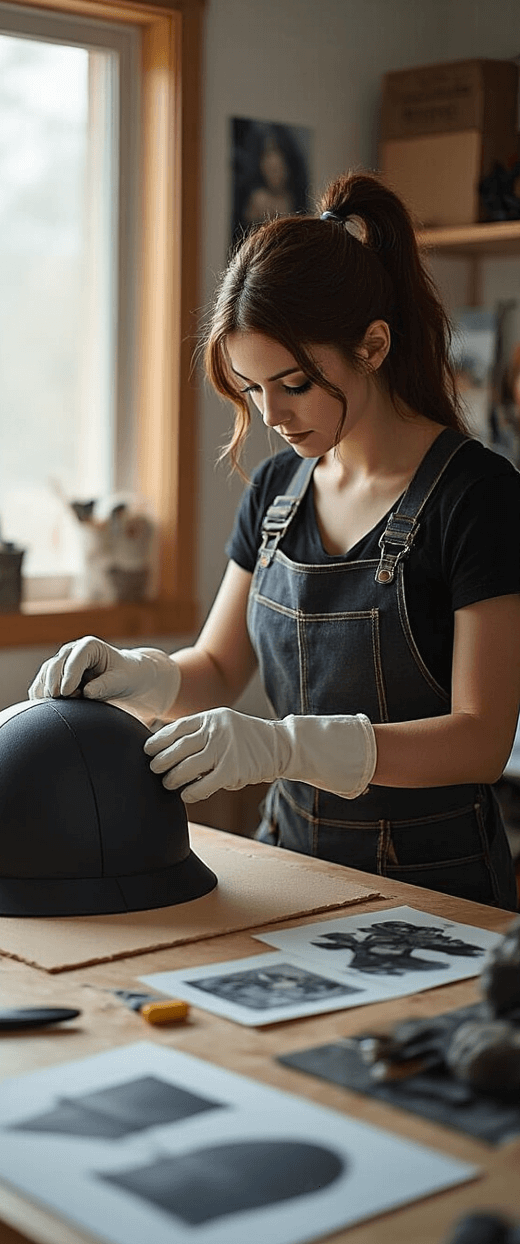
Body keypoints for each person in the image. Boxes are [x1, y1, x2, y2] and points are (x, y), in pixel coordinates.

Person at [29, 170, 520, 911]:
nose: (272, 416)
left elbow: (481, 741)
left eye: (293, 384)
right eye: (251, 389)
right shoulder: (276, 492)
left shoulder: (476, 495)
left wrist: (283, 745)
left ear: (374, 345)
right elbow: (221, 666)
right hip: (289, 864)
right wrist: (143, 676)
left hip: (438, 889)